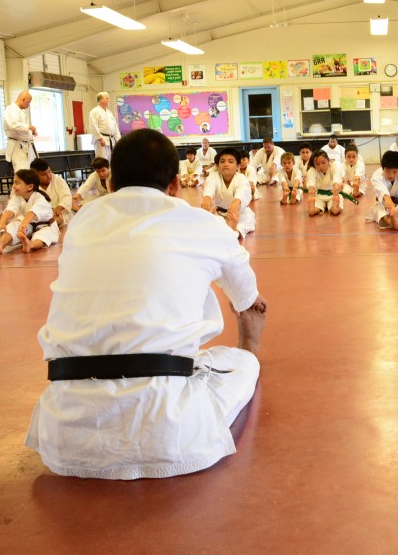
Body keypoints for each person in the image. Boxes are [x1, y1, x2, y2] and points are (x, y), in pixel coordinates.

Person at [24, 128, 267, 480]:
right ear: (174, 185)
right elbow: (249, 304)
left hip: (67, 428)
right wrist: (248, 351)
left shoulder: (81, 223)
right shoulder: (206, 226)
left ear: (110, 184)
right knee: (239, 362)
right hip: (170, 431)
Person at [0, 169, 59, 254]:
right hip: (29, 225)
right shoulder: (18, 197)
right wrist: (2, 223)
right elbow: (10, 209)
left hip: (46, 225)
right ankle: (0, 244)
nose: (13, 186)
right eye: (13, 183)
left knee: (42, 236)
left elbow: (32, 212)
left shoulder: (40, 198)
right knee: (13, 226)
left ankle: (30, 244)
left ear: (30, 187)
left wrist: (23, 225)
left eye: (17, 183)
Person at [202, 148, 255, 239]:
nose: (226, 164)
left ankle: (235, 231)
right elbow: (209, 187)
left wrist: (237, 200)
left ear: (238, 166)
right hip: (219, 212)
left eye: (230, 162)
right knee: (210, 219)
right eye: (222, 161)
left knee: (248, 218)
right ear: (218, 165)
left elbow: (242, 190)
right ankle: (225, 228)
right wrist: (207, 198)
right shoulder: (213, 176)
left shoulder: (241, 178)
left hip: (238, 213)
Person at [366, 150, 398, 231]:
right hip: (384, 203)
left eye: (394, 172)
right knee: (380, 210)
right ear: (383, 168)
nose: (391, 175)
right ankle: (392, 220)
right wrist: (387, 199)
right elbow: (380, 188)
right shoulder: (377, 174)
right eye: (387, 171)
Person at [31, 158, 73, 228]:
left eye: (49, 171)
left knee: (54, 222)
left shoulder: (58, 180)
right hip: (39, 215)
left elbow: (67, 197)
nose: (49, 176)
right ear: (35, 176)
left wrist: (59, 208)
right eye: (44, 175)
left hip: (58, 214)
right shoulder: (31, 185)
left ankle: (44, 227)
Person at [3, 91, 38, 173]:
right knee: (22, 172)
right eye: (28, 102)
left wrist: (30, 132)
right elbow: (13, 125)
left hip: (25, 145)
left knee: (31, 171)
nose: (28, 105)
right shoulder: (11, 109)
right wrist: (28, 126)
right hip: (17, 145)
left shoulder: (20, 111)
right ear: (23, 99)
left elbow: (20, 128)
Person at [305, 149, 344, 216]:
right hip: (318, 196)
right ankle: (312, 209)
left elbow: (336, 177)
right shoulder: (312, 170)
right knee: (315, 209)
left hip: (333, 195)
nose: (321, 166)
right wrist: (311, 190)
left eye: (323, 163)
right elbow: (311, 182)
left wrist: (336, 186)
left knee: (334, 210)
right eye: (317, 164)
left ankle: (335, 206)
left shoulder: (335, 165)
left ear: (328, 160)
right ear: (314, 164)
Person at [88, 92, 119, 161]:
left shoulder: (109, 112)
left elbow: (115, 127)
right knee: (102, 161)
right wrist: (100, 138)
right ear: (101, 99)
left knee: (111, 161)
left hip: (111, 140)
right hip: (101, 140)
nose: (109, 100)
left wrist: (118, 139)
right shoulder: (95, 111)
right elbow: (93, 126)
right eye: (107, 98)